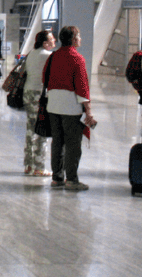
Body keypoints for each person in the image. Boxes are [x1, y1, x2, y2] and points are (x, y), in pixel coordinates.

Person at [43, 25, 97, 191]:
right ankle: (72, 179)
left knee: (57, 142)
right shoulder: (77, 58)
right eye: (79, 36)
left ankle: (57, 177)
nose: (80, 39)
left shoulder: (53, 57)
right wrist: (88, 110)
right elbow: (82, 87)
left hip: (53, 105)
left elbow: (44, 77)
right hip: (71, 107)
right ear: (73, 40)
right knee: (73, 144)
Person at [23, 30, 54, 176]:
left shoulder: (31, 54)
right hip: (39, 94)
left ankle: (28, 165)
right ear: (45, 43)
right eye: (52, 40)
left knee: (30, 129)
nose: (54, 42)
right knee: (41, 129)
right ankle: (39, 167)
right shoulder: (48, 56)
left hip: (27, 93)